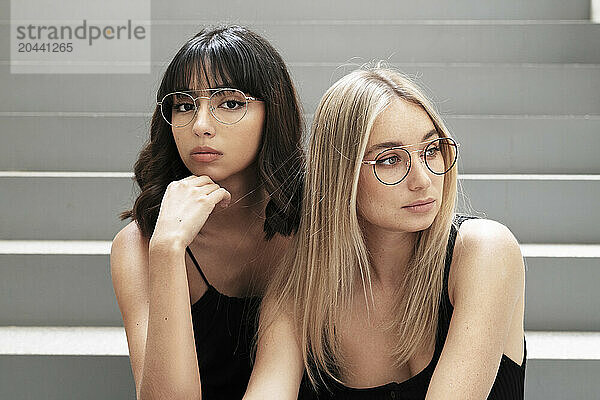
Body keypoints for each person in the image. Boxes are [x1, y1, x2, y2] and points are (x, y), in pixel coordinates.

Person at [243, 66, 526, 400]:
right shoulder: (299, 292)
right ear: (340, 176)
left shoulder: (484, 251)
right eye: (390, 160)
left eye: (431, 150)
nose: (422, 179)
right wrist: (166, 250)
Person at [110, 25, 304, 400]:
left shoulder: (319, 222)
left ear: (273, 111)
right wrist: (167, 249)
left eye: (229, 103)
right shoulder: (139, 246)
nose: (200, 126)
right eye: (184, 105)